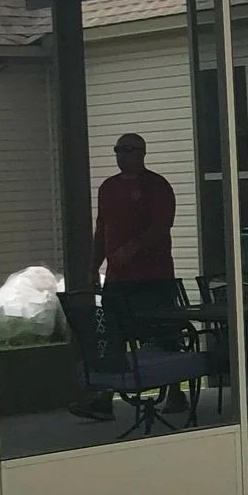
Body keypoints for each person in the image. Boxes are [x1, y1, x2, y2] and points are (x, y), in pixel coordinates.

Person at [72, 134, 179, 422]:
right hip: (118, 279)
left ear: (142, 153)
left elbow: (162, 225)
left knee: (163, 334)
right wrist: (94, 266)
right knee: (112, 335)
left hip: (153, 277)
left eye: (128, 150)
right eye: (118, 150)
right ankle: (104, 398)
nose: (122, 155)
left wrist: (133, 248)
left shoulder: (156, 186)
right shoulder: (108, 188)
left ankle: (175, 392)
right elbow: (101, 230)